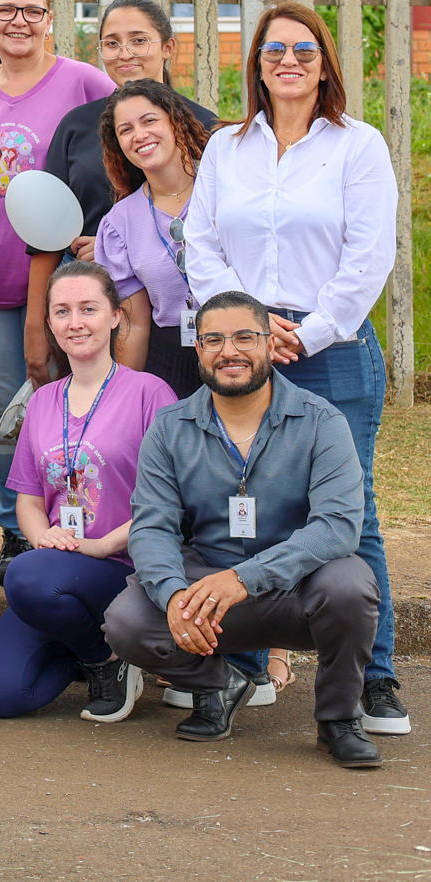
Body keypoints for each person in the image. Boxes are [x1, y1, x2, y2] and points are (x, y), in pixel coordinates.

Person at [182, 3, 408, 738]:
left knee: (353, 510)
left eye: (303, 50)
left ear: (324, 63)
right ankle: (248, 667)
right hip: (241, 350)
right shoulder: (227, 147)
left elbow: (369, 254)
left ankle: (376, 677)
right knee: (241, 504)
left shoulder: (358, 146)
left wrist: (306, 336)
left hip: (333, 353)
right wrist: (244, 326)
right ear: (256, 62)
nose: (288, 61)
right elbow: (202, 241)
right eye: (274, 49)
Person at [103, 291, 382, 768]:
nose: (228, 350)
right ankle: (221, 684)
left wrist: (243, 579)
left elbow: (338, 527)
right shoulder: (170, 427)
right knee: (126, 621)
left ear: (270, 343)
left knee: (350, 585)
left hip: (295, 589)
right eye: (213, 339)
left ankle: (338, 719)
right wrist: (173, 596)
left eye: (244, 337)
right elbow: (152, 528)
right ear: (199, 350)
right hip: (205, 590)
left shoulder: (321, 422)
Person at [0, 0, 113, 578]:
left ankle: (83, 519)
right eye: (5, 10)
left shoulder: (85, 82)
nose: (19, 22)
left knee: (68, 404)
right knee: (6, 409)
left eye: (32, 11)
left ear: (50, 18)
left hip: (65, 282)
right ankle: (17, 529)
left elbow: (121, 153)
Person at [0, 261, 177, 722]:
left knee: (25, 575)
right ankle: (91, 653)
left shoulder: (150, 394)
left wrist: (103, 543)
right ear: (49, 322)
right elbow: (26, 497)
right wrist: (43, 537)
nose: (75, 322)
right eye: (62, 311)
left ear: (115, 315)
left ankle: (111, 658)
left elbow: (174, 501)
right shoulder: (42, 400)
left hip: (122, 566)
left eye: (88, 308)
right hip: (56, 568)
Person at [24, 0, 218, 388]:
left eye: (138, 40)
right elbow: (48, 231)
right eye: (112, 43)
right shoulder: (78, 126)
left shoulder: (209, 131)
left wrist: (136, 247)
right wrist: (35, 322)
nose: (124, 52)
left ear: (167, 47)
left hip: (191, 309)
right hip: (99, 302)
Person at [96, 78, 217, 396]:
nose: (140, 135)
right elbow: (134, 326)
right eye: (126, 130)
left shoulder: (227, 184)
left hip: (245, 346)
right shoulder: (119, 225)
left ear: (175, 121)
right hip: (170, 363)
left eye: (149, 120)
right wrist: (122, 397)